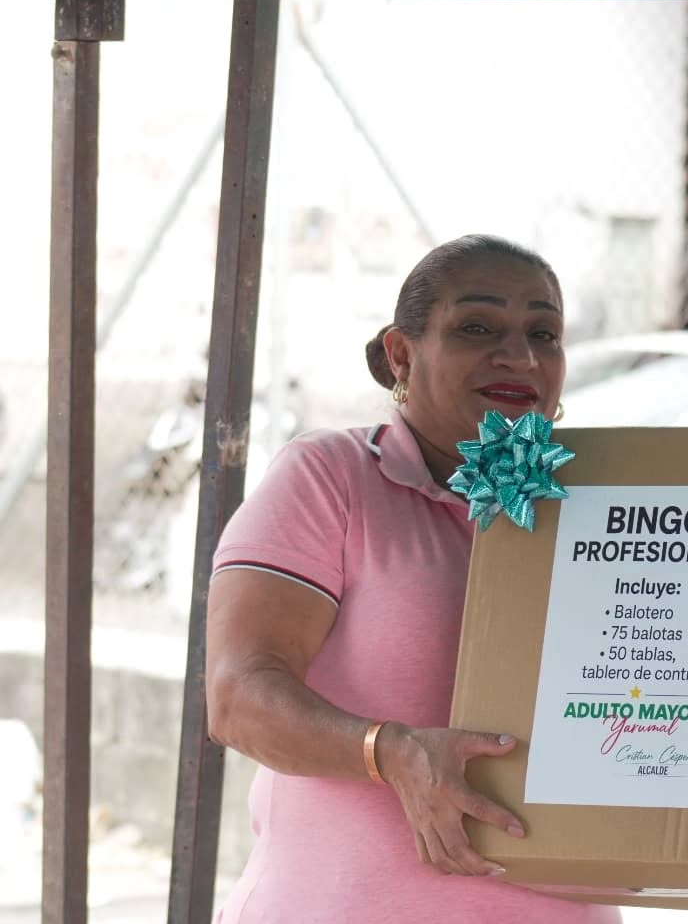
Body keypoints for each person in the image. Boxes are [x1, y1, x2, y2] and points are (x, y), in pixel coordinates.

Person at [205, 234, 620, 923]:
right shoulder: (332, 477)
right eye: (477, 327)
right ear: (401, 354)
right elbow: (236, 697)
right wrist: (390, 752)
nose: (519, 356)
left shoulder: (604, 506)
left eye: (543, 333)